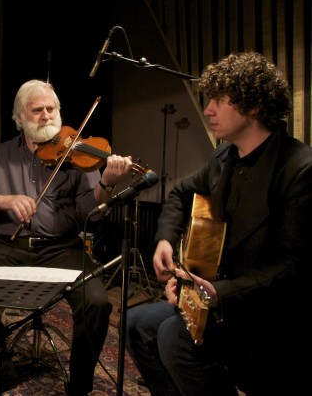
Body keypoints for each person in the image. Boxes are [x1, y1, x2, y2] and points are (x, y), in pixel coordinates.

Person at [125, 51, 312, 395]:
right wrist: (165, 240)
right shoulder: (223, 156)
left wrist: (215, 292)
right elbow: (180, 193)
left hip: (265, 314)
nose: (208, 109)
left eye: (219, 100)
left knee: (173, 338)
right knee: (135, 323)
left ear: (252, 106)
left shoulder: (299, 168)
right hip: (215, 297)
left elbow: (293, 267)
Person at [0, 79, 134, 396]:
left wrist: (107, 185)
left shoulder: (77, 155)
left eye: (51, 108)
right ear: (20, 117)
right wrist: (3, 200)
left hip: (63, 250)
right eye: (37, 110)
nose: (46, 115)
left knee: (97, 303)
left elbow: (90, 211)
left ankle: (80, 382)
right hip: (8, 249)